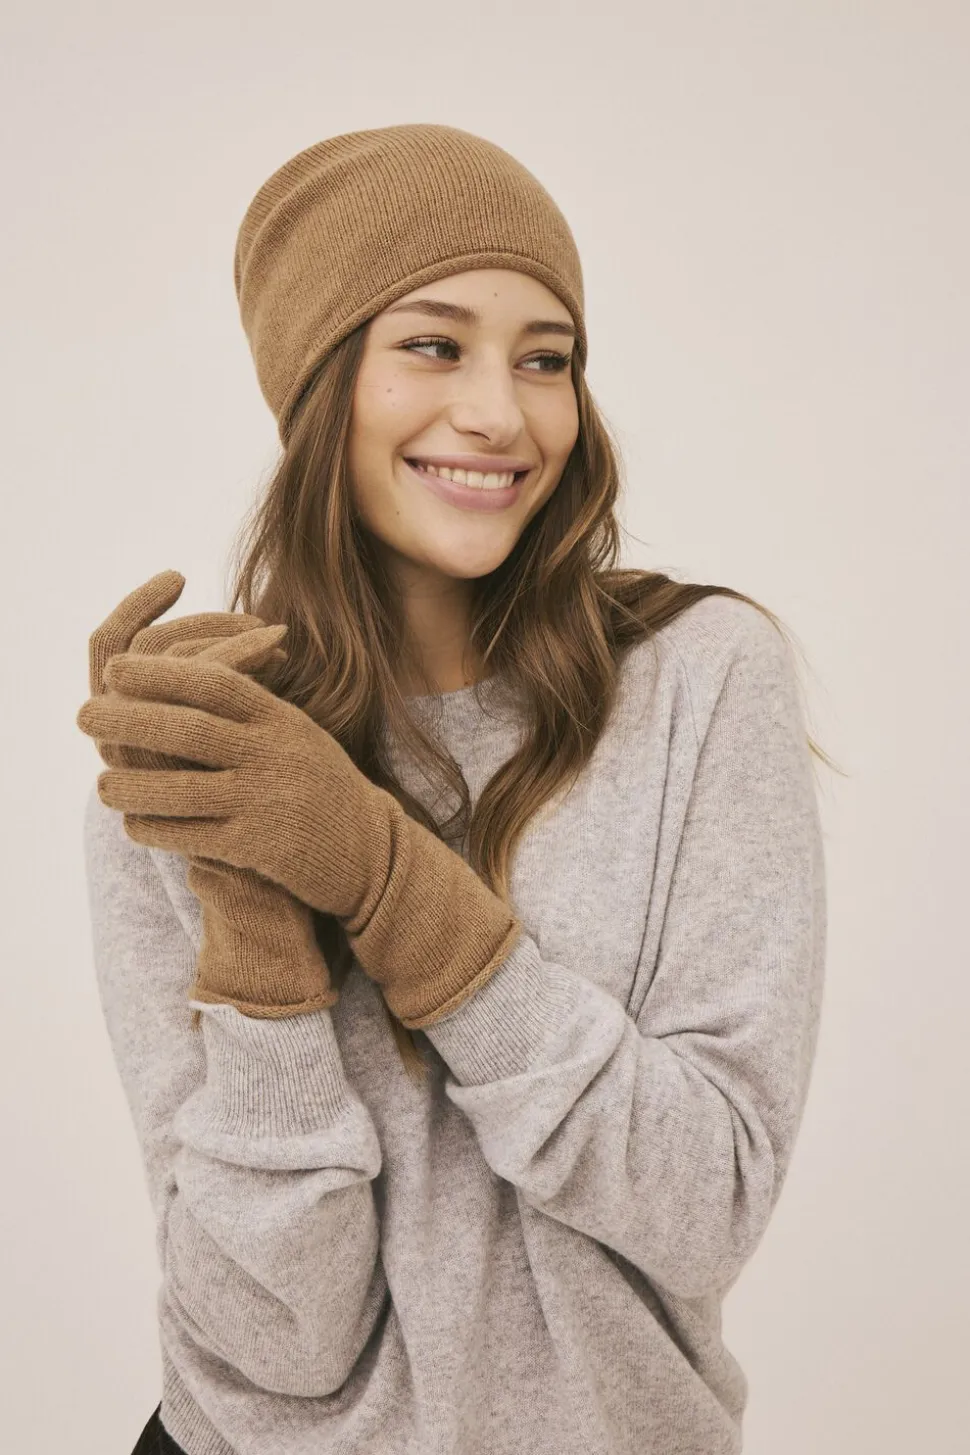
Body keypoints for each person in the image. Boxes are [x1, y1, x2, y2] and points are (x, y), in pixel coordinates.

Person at [76, 123, 830, 1455]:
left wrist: (385, 880)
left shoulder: (698, 679)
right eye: (433, 345)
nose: (501, 413)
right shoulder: (197, 754)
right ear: (321, 383)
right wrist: (255, 923)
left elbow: (704, 1200)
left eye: (546, 358)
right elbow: (277, 1339)